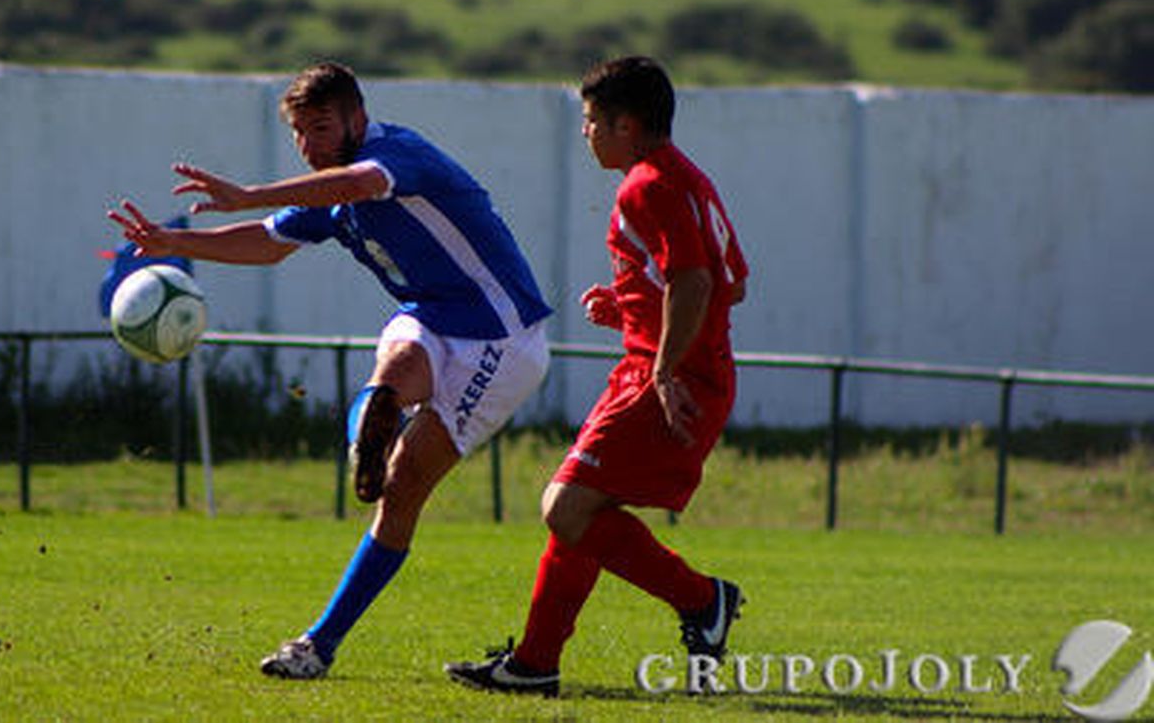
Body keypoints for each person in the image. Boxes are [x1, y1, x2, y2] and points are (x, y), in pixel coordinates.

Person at [108, 62, 553, 680]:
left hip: (502, 338)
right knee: (395, 368)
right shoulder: (330, 194)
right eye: (299, 131)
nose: (309, 145)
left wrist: (250, 192)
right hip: (428, 316)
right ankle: (365, 446)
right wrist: (175, 243)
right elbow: (268, 244)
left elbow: (363, 183)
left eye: (320, 128)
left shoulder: (397, 154)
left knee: (403, 493)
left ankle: (324, 624)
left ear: (357, 118)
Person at [445, 56, 750, 697]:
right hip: (668, 368)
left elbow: (696, 282)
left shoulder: (647, 184)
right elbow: (731, 282)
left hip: (669, 378)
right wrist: (632, 306)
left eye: (592, 121)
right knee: (584, 509)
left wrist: (665, 368)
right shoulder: (687, 177)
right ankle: (534, 663)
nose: (585, 132)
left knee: (565, 506)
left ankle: (702, 599)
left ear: (625, 124)